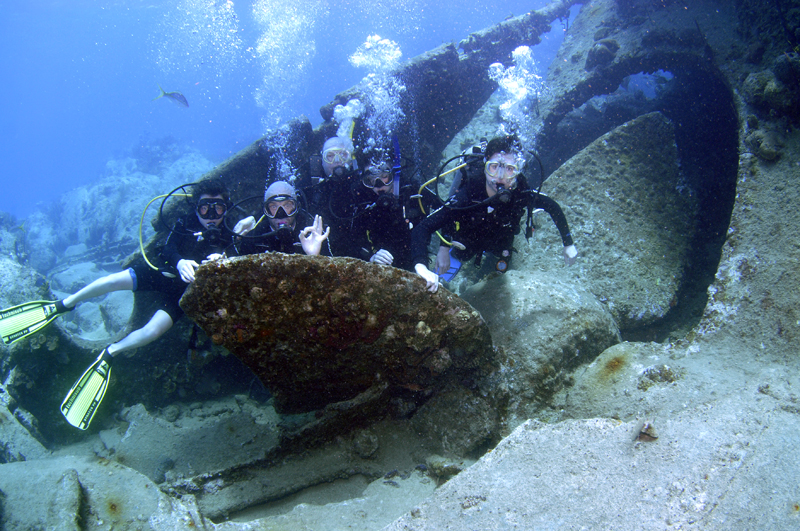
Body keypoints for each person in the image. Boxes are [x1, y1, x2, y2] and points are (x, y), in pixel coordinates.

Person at [56, 179, 244, 429]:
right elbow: (167, 248)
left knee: (153, 331)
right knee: (111, 281)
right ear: (196, 208)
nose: (211, 216)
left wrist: (226, 257)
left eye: (218, 208)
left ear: (226, 208)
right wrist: (179, 262)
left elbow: (244, 262)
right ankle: (65, 303)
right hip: (161, 273)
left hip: (183, 294)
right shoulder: (184, 223)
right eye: (205, 208)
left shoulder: (231, 230)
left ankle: (111, 352)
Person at [411, 135, 578, 293]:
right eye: (494, 167)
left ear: (517, 172)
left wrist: (568, 243)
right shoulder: (468, 193)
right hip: (468, 241)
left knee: (501, 267)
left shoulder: (521, 193)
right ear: (484, 167)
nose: (499, 177)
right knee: (462, 253)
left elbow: (552, 206)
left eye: (509, 169)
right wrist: (426, 262)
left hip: (500, 243)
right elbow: (423, 227)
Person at [327, 159, 432, 271]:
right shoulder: (361, 198)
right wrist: (370, 256)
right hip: (378, 265)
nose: (378, 184)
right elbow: (350, 239)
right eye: (371, 179)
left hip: (414, 260)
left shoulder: (412, 190)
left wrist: (443, 247)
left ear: (393, 174)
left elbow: (446, 210)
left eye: (384, 176)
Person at [235, 180, 331, 256]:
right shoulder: (254, 237)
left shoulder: (314, 234)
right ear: (266, 210)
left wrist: (315, 256)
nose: (280, 214)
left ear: (296, 207)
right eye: (273, 206)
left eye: (287, 205)